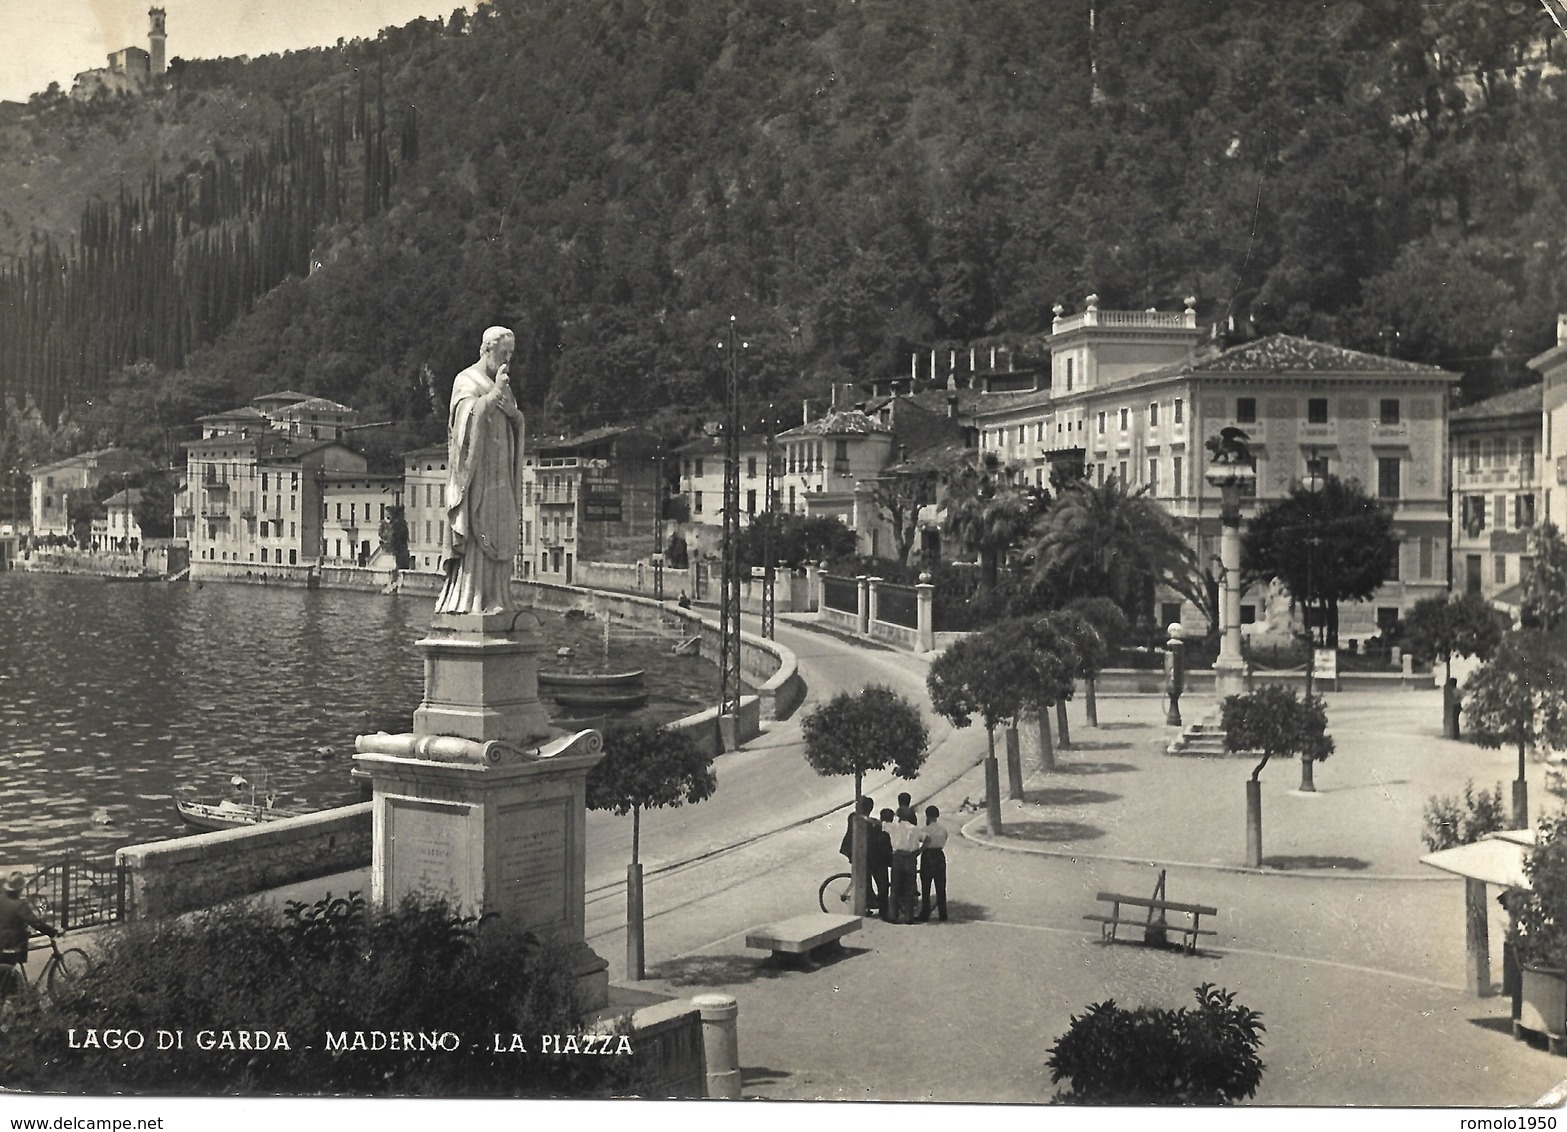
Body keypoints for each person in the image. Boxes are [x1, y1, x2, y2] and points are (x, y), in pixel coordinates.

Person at [434, 326, 526, 616]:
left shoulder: (504, 386)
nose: (506, 362)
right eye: (502, 354)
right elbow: (462, 420)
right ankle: (471, 598)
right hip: (477, 478)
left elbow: (515, 422)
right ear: (487, 350)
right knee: (479, 532)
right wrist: (493, 395)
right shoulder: (466, 379)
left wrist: (516, 418)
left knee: (501, 530)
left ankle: (497, 596)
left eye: (510, 356)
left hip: (500, 477)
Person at [0, 872, 59, 977]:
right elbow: (36, 923)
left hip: (1, 942)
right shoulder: (20, 905)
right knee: (8, 976)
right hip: (12, 944)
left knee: (4, 975)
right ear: (20, 889)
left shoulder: (1, 898)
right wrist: (52, 932)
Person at [886, 812, 926, 924]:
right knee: (909, 888)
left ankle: (893, 916)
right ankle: (909, 916)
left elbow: (880, 824)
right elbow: (927, 839)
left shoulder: (894, 826)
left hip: (898, 857)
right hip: (910, 858)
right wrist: (919, 851)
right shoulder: (915, 828)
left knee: (895, 887)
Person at [918, 805, 949, 922]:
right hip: (939, 855)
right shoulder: (943, 829)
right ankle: (943, 913)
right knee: (941, 886)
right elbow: (945, 839)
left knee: (926, 886)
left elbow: (921, 840)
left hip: (927, 855)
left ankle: (925, 913)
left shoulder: (925, 829)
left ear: (927, 815)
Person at [870, 809, 895, 921]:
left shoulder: (873, 827)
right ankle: (883, 911)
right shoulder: (885, 834)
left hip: (868, 860)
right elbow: (887, 851)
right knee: (883, 887)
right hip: (879, 863)